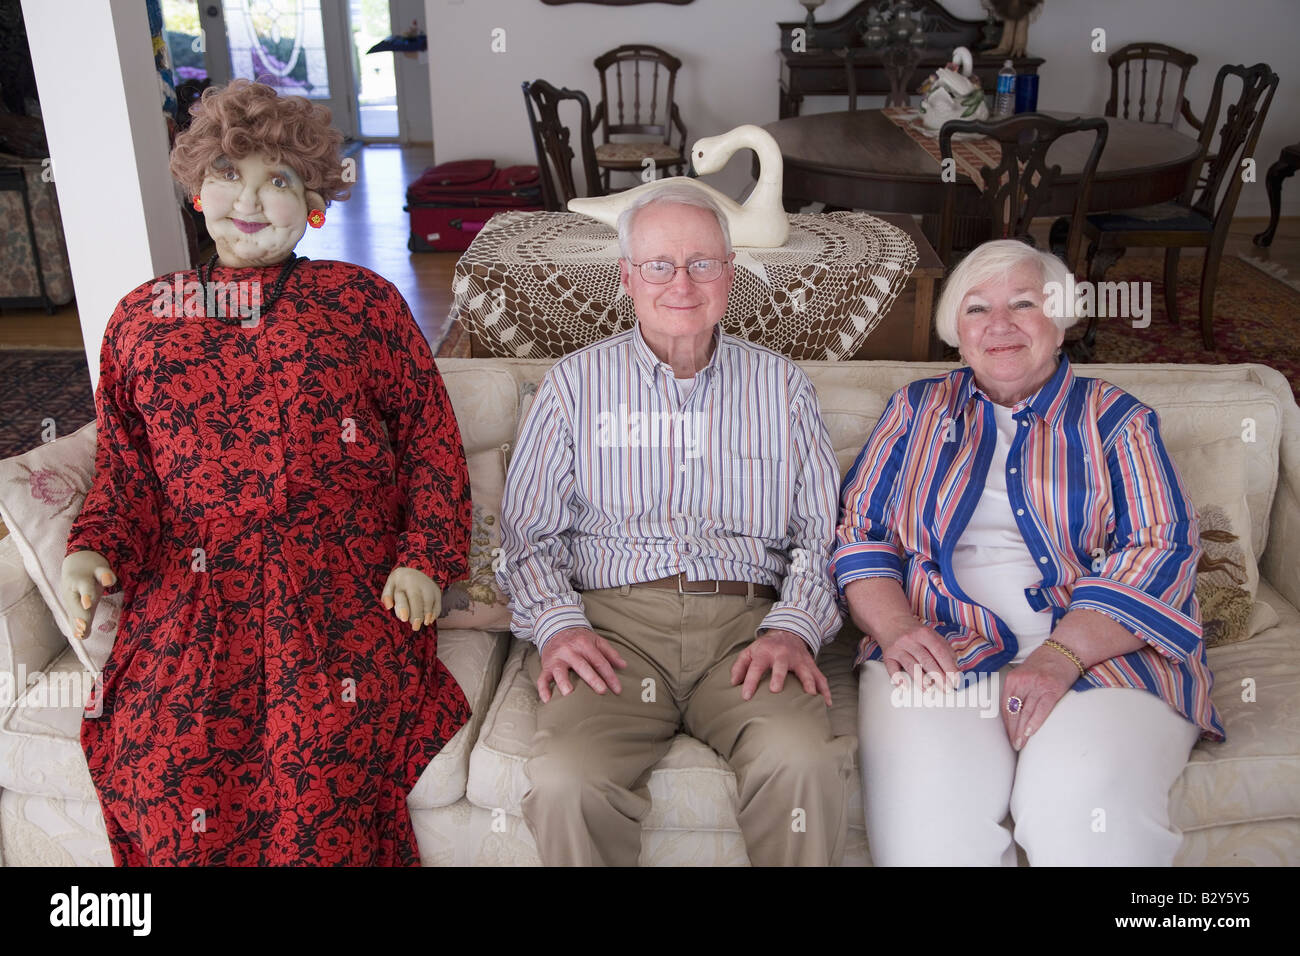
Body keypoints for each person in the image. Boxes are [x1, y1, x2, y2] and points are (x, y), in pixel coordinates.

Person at [60, 80, 472, 866]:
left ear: (314, 201)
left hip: (335, 587)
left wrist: (422, 557)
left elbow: (429, 438)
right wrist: (92, 546)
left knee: (315, 766)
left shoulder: (361, 303)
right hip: (191, 593)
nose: (249, 200)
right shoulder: (142, 320)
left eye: (278, 180)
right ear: (194, 188)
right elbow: (126, 468)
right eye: (227, 172)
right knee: (162, 754)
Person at [497, 184, 855, 866]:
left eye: (702, 263)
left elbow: (822, 537)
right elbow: (527, 538)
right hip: (614, 634)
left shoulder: (781, 387)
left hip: (748, 633)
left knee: (803, 761)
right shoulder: (575, 386)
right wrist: (559, 625)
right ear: (629, 277)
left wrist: (794, 627)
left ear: (730, 273)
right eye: (659, 265)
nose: (681, 283)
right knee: (567, 779)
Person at [833, 238, 1222, 866]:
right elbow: (860, 534)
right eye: (977, 309)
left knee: (1081, 812)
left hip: (1104, 655)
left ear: (1062, 319)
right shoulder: (915, 410)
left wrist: (1060, 655)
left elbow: (1160, 548)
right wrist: (898, 627)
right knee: (928, 839)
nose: (1000, 326)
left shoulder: (1115, 419)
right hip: (940, 645)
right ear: (955, 332)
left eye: (1022, 303)